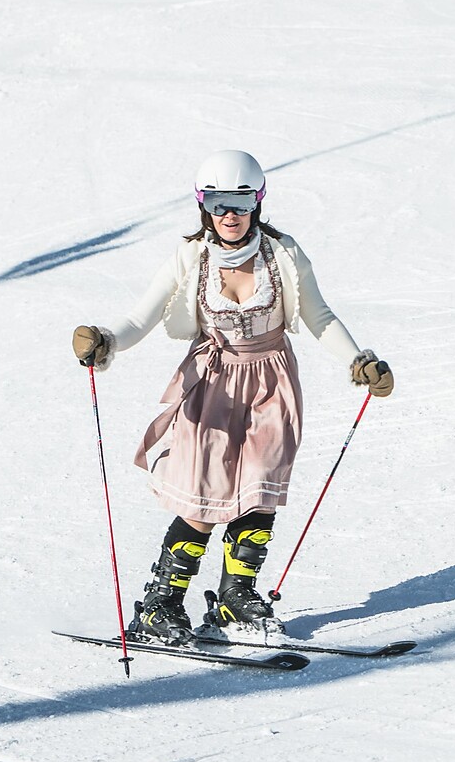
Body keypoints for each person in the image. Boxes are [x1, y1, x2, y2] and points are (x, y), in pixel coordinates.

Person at [71, 150, 393, 644]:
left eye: (240, 203)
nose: (229, 214)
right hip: (213, 383)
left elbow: (319, 316)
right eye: (217, 202)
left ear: (257, 203)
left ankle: (235, 600)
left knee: (261, 488)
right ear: (203, 204)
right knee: (206, 495)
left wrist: (358, 361)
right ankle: (161, 604)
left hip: (272, 380)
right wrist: (106, 340)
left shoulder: (282, 254)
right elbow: (141, 318)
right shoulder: (190, 257)